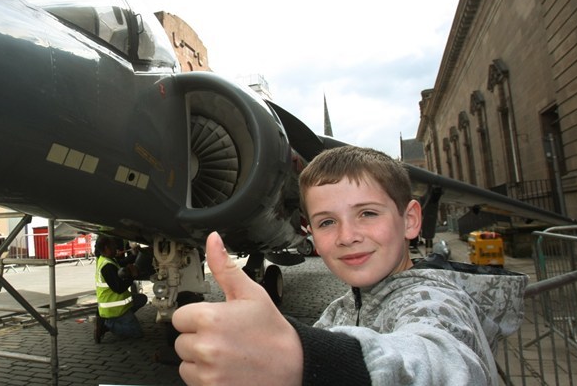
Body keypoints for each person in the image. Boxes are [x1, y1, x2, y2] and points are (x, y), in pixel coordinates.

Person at [172, 146, 527, 385]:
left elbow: (444, 362)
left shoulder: (435, 299)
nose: (347, 236)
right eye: (327, 222)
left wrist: (303, 357)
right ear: (309, 232)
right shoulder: (338, 312)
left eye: (367, 213)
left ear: (410, 220)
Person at [94, 235, 148, 343]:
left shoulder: (106, 259)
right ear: (106, 248)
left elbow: (121, 263)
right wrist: (132, 276)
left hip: (119, 303)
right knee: (137, 333)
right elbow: (118, 288)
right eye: (113, 246)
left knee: (142, 299)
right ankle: (107, 325)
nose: (117, 249)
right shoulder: (107, 266)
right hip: (113, 309)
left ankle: (124, 318)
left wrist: (135, 254)